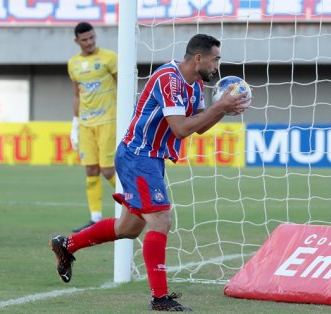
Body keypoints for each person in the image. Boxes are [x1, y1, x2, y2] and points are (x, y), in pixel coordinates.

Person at [50, 34, 250, 311]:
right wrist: (220, 107)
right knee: (160, 219)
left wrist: (223, 111)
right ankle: (160, 298)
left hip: (151, 159)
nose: (218, 65)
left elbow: (199, 126)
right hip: (138, 155)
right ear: (199, 58)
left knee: (128, 228)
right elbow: (180, 129)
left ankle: (67, 244)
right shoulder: (169, 78)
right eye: (216, 59)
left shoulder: (195, 86)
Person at [68, 22, 118, 232]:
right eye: (85, 39)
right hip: (86, 123)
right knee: (91, 169)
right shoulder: (73, 64)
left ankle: (136, 204)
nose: (89, 42)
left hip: (108, 120)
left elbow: (124, 84)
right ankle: (95, 218)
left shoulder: (110, 58)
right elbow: (77, 94)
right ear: (77, 41)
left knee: (107, 170)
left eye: (92, 38)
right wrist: (75, 122)